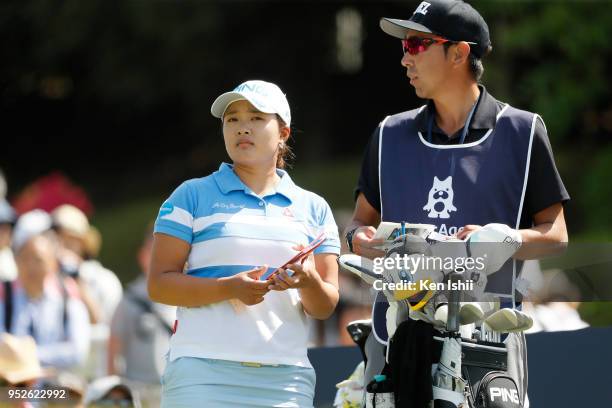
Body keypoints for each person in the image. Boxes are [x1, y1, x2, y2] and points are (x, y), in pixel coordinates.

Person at [345, 1, 569, 406]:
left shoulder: (522, 130)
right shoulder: (389, 133)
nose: (404, 58)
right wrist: (361, 240)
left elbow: (555, 234)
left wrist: (500, 239)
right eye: (405, 46)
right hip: (400, 334)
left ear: (459, 53)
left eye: (417, 45)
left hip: (489, 340)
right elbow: (360, 223)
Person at [148, 80, 341, 407]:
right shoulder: (190, 196)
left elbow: (324, 306)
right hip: (201, 372)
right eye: (232, 119)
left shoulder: (314, 208)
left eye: (255, 117)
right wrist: (228, 288)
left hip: (285, 378)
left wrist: (308, 282)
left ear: (283, 133)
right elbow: (159, 285)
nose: (242, 128)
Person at [1, 210, 90, 370]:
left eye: (38, 260)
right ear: (15, 260)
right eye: (25, 258)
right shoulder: (4, 295)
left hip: (56, 393)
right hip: (11, 392)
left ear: (53, 262)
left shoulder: (67, 295)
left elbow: (77, 351)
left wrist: (28, 355)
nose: (31, 267)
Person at [109, 223, 175, 406]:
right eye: (153, 252)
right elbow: (114, 346)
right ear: (142, 256)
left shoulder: (181, 296)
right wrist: (116, 390)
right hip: (137, 391)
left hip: (172, 388)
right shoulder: (129, 299)